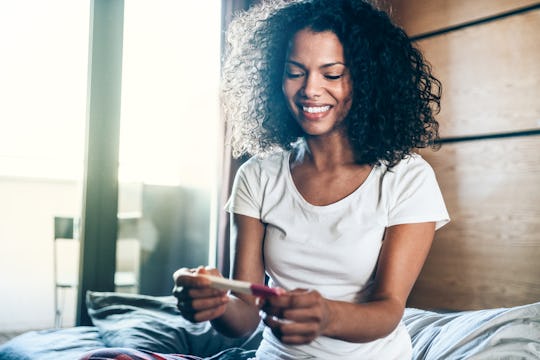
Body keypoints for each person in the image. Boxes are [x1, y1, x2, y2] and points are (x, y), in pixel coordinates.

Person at [173, 0, 449, 359]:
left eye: (331, 74)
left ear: (366, 79)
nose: (310, 89)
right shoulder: (257, 175)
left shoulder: (407, 178)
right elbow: (243, 316)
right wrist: (213, 303)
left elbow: (387, 310)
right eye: (295, 72)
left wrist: (326, 315)